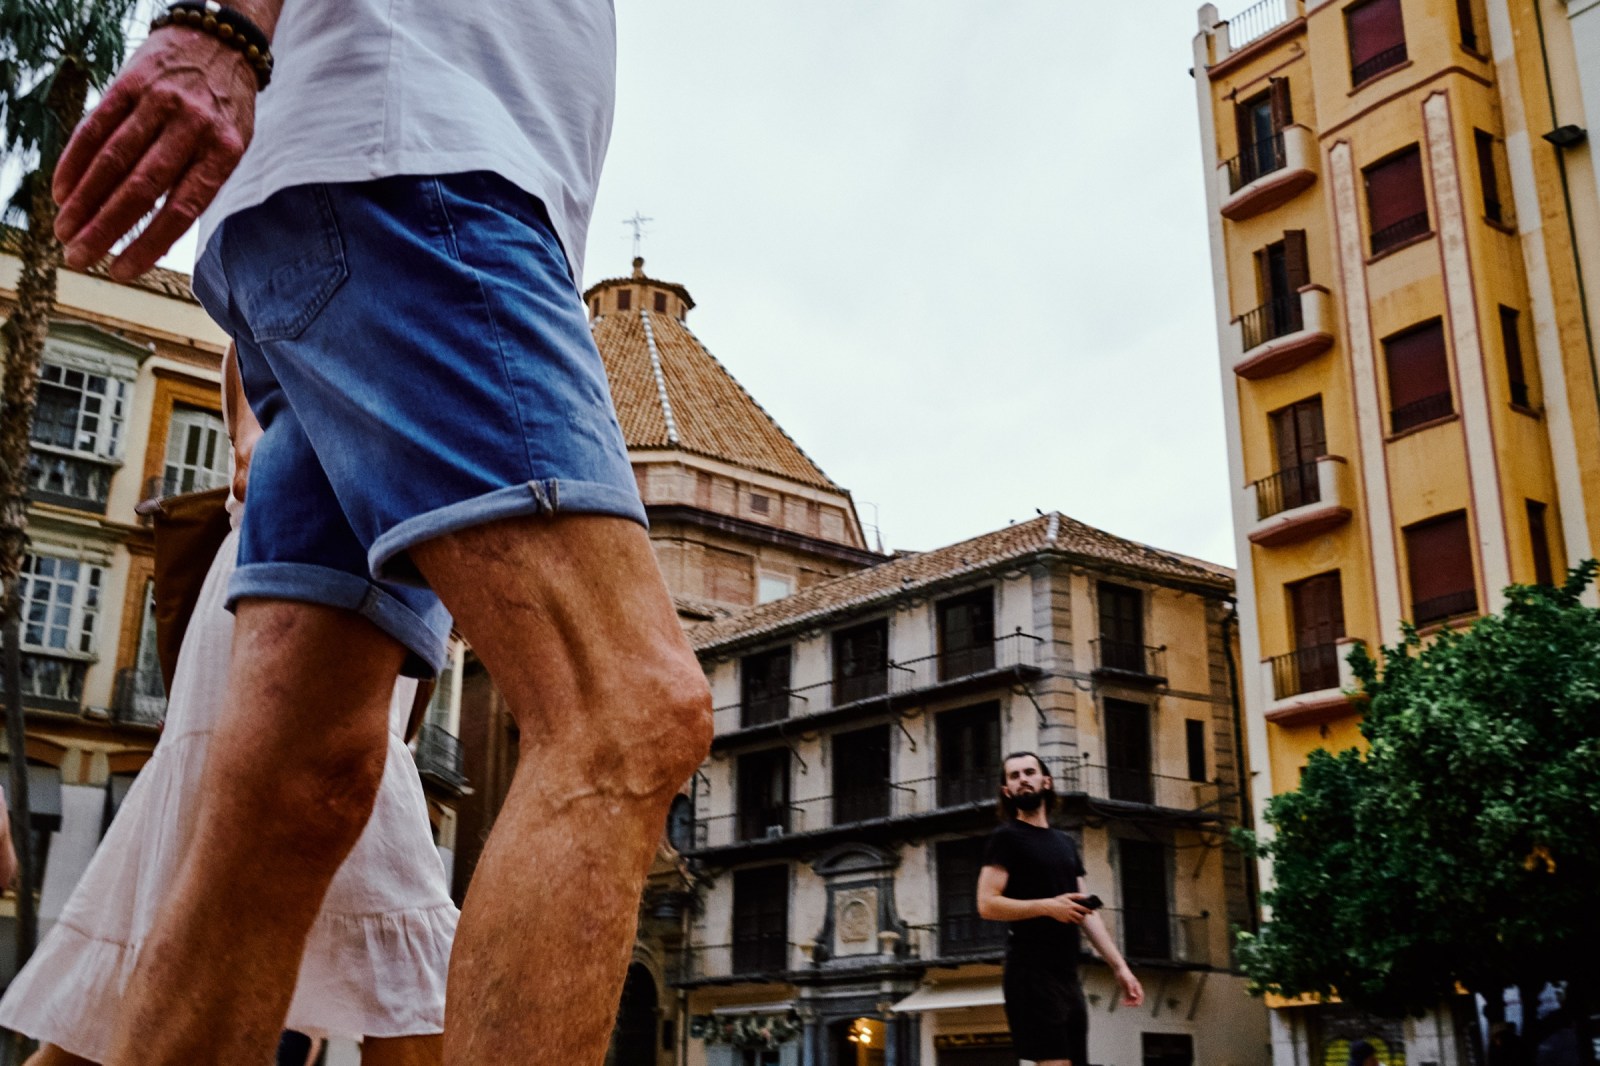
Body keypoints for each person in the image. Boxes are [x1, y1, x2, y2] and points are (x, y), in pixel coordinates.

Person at [50, 0, 713, 1062]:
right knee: (627, 708)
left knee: (298, 793)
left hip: (366, 203)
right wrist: (223, 27)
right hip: (422, 169)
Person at [0, 350, 457, 1066]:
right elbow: (255, 458)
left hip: (326, 597)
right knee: (409, 965)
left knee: (155, 952)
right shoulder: (289, 304)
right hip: (305, 602)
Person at [976, 752, 1144, 1066]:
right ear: (1006, 791)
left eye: (1029, 772)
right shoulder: (1006, 838)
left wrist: (1120, 967)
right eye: (1014, 776)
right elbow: (987, 904)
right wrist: (1048, 907)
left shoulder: (1065, 843)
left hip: (1067, 974)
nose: (1023, 779)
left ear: (1046, 781)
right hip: (1030, 972)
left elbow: (1086, 912)